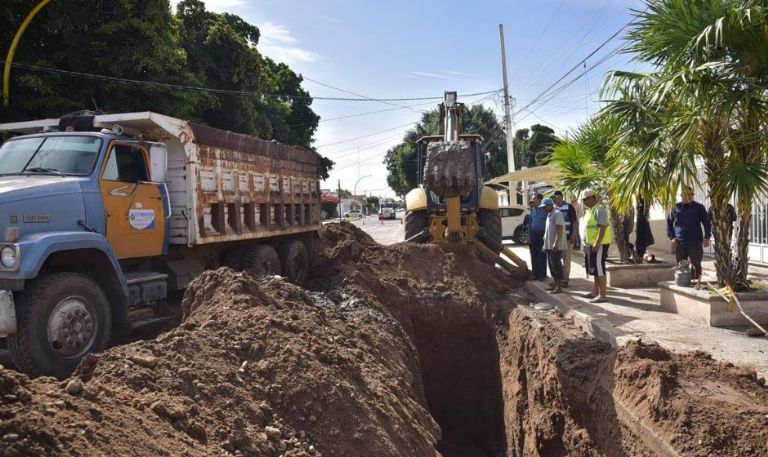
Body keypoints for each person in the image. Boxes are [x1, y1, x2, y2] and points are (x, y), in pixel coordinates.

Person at [667, 185, 711, 282]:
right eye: (685, 195)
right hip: (679, 242)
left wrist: (707, 237)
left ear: (692, 195)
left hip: (695, 242)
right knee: (680, 265)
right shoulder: (675, 207)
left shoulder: (699, 207)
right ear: (681, 196)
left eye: (690, 195)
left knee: (696, 264)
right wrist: (672, 238)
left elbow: (707, 223)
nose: (687, 197)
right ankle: (682, 282)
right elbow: (669, 223)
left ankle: (696, 283)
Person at [582, 189, 612, 303]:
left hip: (599, 243)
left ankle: (603, 295)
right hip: (591, 244)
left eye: (586, 199)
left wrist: (597, 242)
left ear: (592, 198)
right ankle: (595, 292)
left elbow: (602, 227)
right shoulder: (590, 210)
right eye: (583, 200)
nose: (584, 201)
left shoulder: (599, 209)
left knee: (599, 268)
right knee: (594, 269)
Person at [552, 190, 578, 288]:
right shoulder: (553, 208)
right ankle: (558, 279)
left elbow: (574, 222)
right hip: (556, 239)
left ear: (562, 197)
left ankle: (565, 279)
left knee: (566, 259)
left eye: (557, 197)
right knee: (556, 260)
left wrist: (574, 235)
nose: (556, 200)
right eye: (554, 198)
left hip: (567, 238)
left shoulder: (569, 207)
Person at [542, 198, 566, 294]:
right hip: (549, 245)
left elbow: (560, 229)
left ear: (550, 205)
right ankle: (555, 285)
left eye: (544, 207)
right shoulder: (549, 215)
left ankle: (559, 287)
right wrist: (545, 244)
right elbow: (548, 231)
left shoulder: (557, 213)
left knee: (556, 265)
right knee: (551, 266)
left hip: (556, 245)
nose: (543, 209)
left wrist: (556, 243)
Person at [528, 193, 548, 280]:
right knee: (534, 255)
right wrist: (529, 236)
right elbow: (530, 223)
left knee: (542, 255)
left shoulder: (544, 210)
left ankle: (542, 275)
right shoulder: (532, 210)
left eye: (535, 199)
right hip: (533, 234)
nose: (533, 201)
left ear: (540, 200)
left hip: (542, 234)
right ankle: (535, 274)